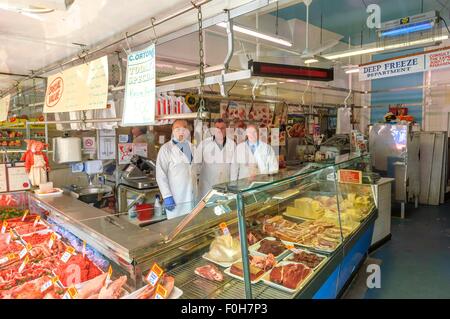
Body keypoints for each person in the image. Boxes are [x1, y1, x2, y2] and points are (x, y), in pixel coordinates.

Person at [156, 120, 197, 219]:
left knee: (192, 225)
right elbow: (160, 175)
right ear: (172, 130)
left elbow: (194, 170)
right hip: (176, 197)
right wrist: (167, 196)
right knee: (176, 227)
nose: (181, 131)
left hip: (192, 195)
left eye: (184, 128)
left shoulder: (192, 148)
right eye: (177, 128)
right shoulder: (166, 149)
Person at [196, 119, 236, 199]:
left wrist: (233, 184)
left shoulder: (232, 144)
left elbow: (234, 167)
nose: (219, 130)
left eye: (222, 128)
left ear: (226, 129)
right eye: (217, 128)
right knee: (207, 209)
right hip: (207, 185)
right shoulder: (204, 143)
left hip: (225, 185)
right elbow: (196, 164)